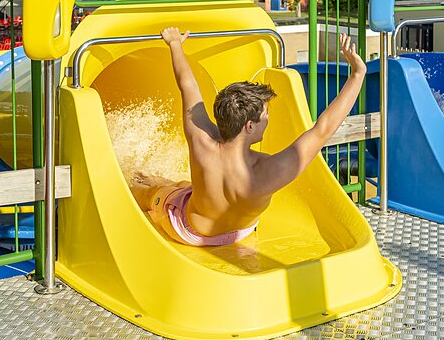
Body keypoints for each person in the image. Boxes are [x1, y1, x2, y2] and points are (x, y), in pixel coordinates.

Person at [130, 27, 368, 246]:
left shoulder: (202, 142)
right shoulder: (270, 172)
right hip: (238, 234)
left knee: (158, 193)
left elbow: (188, 85)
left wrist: (174, 44)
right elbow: (323, 130)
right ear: (249, 126)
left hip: (190, 231)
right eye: (265, 114)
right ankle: (149, 183)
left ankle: (137, 185)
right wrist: (357, 74)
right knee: (182, 187)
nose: (268, 119)